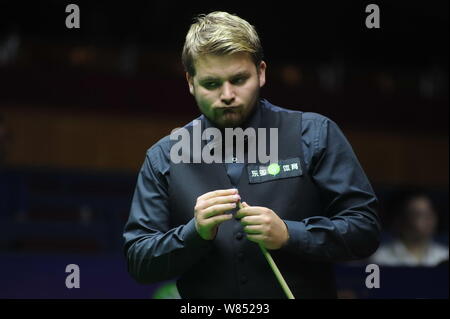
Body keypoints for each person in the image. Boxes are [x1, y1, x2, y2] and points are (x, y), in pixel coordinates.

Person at [123, 11, 380, 299]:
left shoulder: (315, 134)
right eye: (211, 84)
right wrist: (194, 234)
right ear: (190, 82)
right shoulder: (164, 158)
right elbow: (139, 260)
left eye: (238, 79)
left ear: (261, 72)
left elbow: (365, 228)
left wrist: (289, 233)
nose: (228, 94)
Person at [370, 190, 448, 267]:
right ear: (400, 220)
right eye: (419, 214)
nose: (428, 219)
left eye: (430, 213)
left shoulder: (445, 255)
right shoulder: (381, 258)